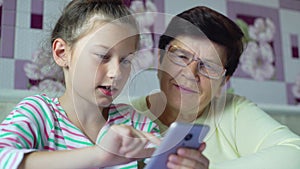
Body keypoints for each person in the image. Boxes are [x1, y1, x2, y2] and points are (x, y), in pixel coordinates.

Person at [132, 6, 300, 169]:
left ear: (223, 82)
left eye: (208, 66)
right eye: (182, 56)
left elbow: (295, 153)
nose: (191, 73)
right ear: (160, 59)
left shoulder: (233, 111)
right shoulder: (122, 115)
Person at [0, 1, 161, 169]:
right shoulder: (38, 113)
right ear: (62, 53)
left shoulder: (137, 124)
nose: (117, 72)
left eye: (126, 60)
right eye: (102, 56)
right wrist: (99, 155)